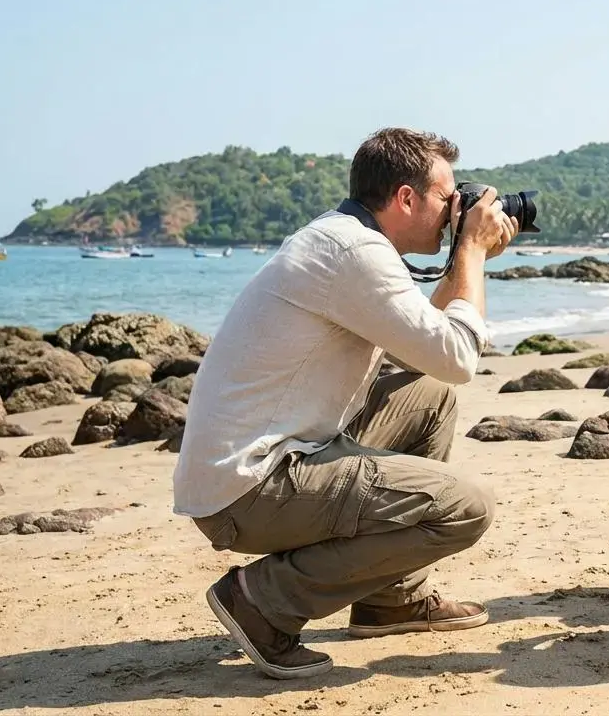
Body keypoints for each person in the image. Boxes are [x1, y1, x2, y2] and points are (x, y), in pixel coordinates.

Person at [173, 127, 519, 679]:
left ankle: (391, 600)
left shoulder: (346, 240)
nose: (455, 208)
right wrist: (473, 250)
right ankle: (262, 601)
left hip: (261, 462)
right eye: (445, 196)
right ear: (406, 198)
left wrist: (465, 253)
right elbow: (458, 355)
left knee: (428, 399)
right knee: (468, 506)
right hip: (250, 486)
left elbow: (427, 351)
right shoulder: (353, 251)